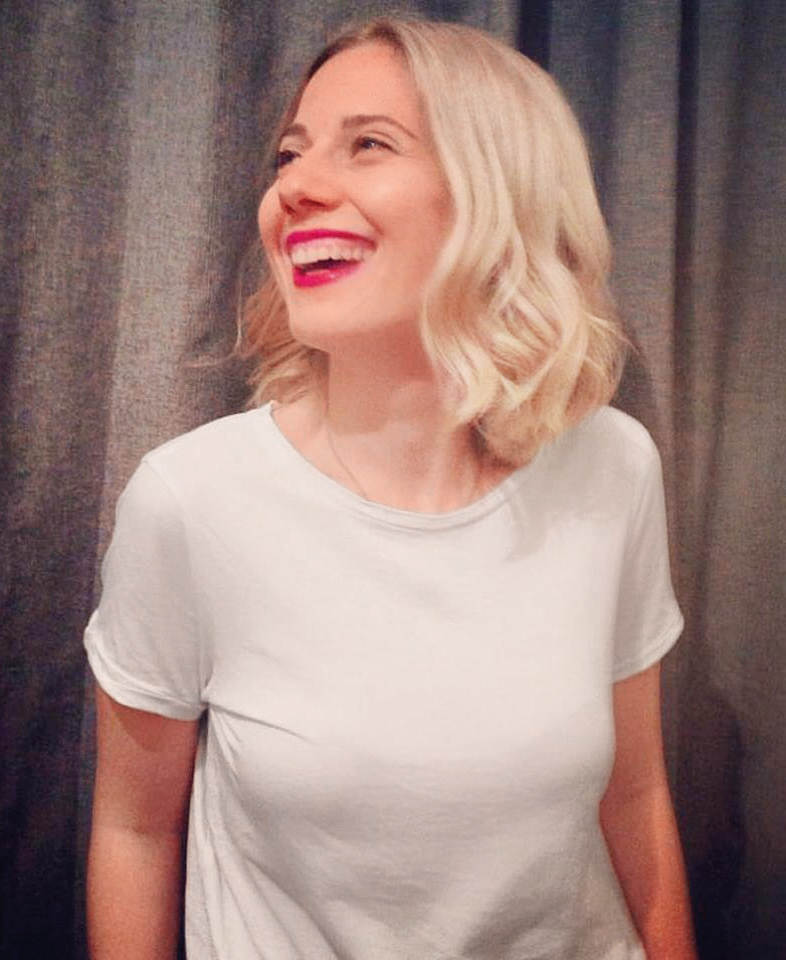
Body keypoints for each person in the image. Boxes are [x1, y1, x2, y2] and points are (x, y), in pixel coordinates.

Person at [84, 16, 697, 960]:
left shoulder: (612, 469)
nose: (293, 187)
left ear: (498, 192)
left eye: (368, 145)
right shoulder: (192, 502)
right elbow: (134, 832)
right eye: (290, 155)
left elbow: (636, 792)